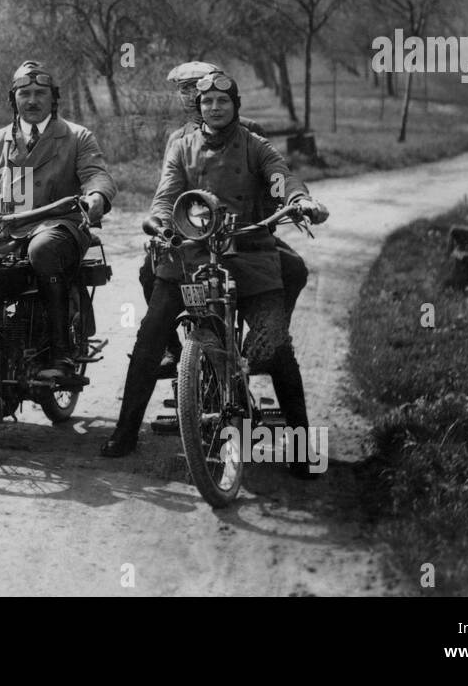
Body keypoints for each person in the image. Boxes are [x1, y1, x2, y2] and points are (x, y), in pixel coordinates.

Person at [101, 63, 329, 477]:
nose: (214, 107)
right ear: (198, 108)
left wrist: (300, 200)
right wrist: (159, 223)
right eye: (207, 101)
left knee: (276, 347)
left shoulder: (253, 144)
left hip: (249, 251)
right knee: (151, 333)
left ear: (235, 105)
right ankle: (125, 431)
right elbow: (166, 194)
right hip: (191, 255)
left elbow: (281, 178)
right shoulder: (181, 146)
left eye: (223, 100)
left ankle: (299, 448)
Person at [141, 62, 311, 378]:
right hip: (193, 233)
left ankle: (264, 338)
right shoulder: (178, 139)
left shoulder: (248, 131)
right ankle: (171, 349)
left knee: (292, 268)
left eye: (198, 87)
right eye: (185, 89)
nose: (193, 95)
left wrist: (287, 202)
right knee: (149, 272)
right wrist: (162, 225)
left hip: (244, 230)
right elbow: (167, 192)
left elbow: (272, 174)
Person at [0, 61, 117, 379]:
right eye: (25, 94)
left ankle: (60, 354)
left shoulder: (77, 137)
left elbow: (97, 175)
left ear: (53, 99)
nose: (32, 100)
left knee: (43, 250)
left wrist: (96, 198)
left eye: (40, 93)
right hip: (7, 229)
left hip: (60, 225)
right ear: (13, 99)